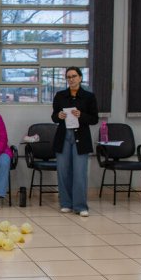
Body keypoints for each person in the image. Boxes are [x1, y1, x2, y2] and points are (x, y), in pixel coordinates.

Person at [51, 67, 99, 217]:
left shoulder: (88, 96)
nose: (71, 79)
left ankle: (80, 206)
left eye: (74, 76)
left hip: (81, 137)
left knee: (79, 173)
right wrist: (59, 115)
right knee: (63, 171)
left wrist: (81, 115)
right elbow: (54, 116)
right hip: (64, 136)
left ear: (80, 78)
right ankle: (66, 203)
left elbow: (94, 119)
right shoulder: (60, 95)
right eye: (68, 77)